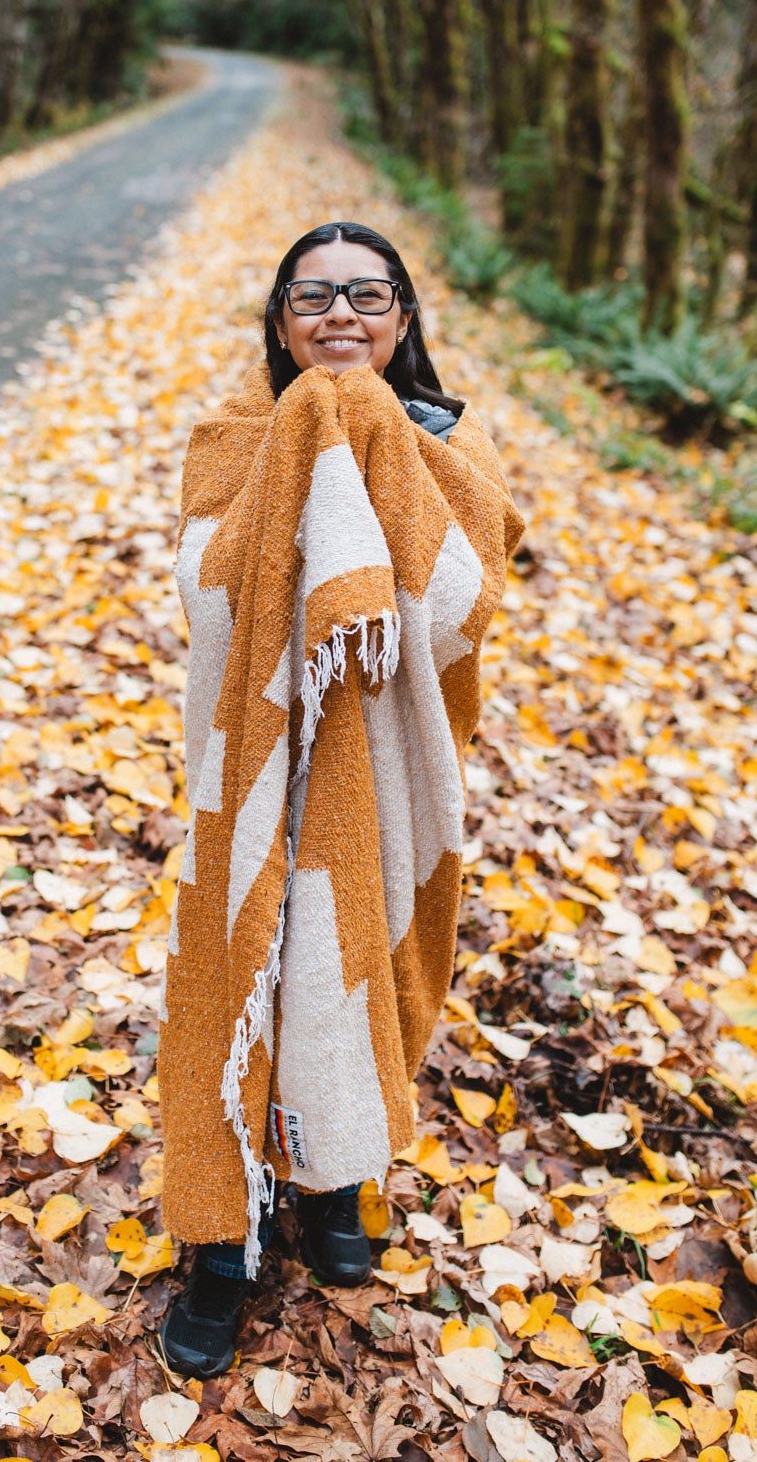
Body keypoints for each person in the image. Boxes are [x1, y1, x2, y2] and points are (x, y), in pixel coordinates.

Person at [155, 221, 524, 1378]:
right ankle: (223, 1238)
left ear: (404, 322)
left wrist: (378, 447)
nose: (340, 316)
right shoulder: (232, 445)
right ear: (279, 324)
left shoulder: (448, 459)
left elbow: (463, 612)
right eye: (311, 297)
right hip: (252, 765)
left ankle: (335, 1176)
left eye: (368, 296)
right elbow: (206, 598)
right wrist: (311, 453)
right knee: (239, 964)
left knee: (346, 956)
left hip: (376, 769)